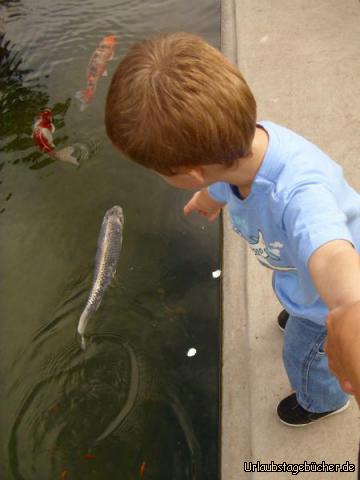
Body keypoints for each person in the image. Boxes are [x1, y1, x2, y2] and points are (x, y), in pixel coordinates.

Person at [105, 32, 360, 426]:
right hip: (301, 277)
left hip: (325, 302)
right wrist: (214, 196)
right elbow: (223, 174)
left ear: (190, 174)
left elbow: (331, 254)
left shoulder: (300, 197)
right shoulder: (239, 146)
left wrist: (348, 310)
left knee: (302, 355)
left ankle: (321, 400)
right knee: (298, 296)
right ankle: (299, 309)